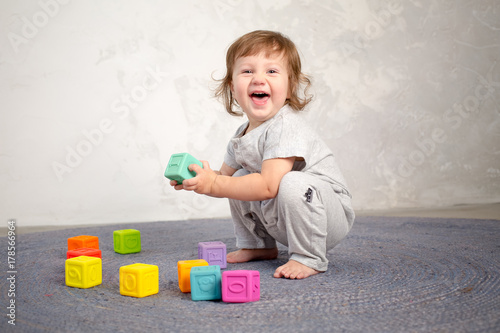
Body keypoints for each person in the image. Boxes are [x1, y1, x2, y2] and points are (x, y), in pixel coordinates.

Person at [170, 30, 355, 279]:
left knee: (288, 182)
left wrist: (215, 183)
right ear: (232, 88)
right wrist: (198, 178)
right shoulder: (242, 135)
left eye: (271, 71)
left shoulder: (286, 127)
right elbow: (223, 177)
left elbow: (268, 186)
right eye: (247, 71)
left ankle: (310, 256)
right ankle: (258, 245)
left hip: (325, 215)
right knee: (239, 177)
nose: (259, 79)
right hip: (284, 217)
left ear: (290, 87)